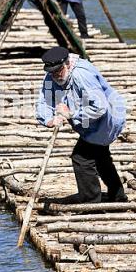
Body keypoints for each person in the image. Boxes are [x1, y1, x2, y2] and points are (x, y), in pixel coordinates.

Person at [36, 46, 128, 204]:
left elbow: (99, 107)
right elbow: (44, 100)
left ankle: (90, 199)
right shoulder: (51, 77)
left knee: (81, 158)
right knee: (100, 156)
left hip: (108, 118)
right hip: (88, 120)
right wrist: (49, 120)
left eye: (59, 71)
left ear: (68, 64)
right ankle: (118, 196)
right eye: (52, 72)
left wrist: (71, 114)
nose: (56, 75)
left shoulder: (81, 75)